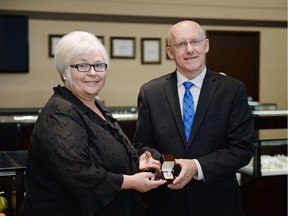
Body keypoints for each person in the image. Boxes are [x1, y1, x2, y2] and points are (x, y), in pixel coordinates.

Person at [19, 31, 166, 216]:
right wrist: (130, 181)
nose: (93, 73)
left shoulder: (96, 104)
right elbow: (77, 173)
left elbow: (103, 152)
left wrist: (135, 161)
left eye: (98, 65)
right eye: (82, 66)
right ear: (64, 71)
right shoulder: (60, 112)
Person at [133, 20, 255, 216]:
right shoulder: (151, 92)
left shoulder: (232, 90)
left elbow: (242, 149)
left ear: (205, 45)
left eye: (195, 42)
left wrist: (196, 166)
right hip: (168, 203)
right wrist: (170, 166)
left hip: (219, 204)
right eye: (181, 44)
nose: (189, 49)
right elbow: (142, 145)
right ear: (170, 52)